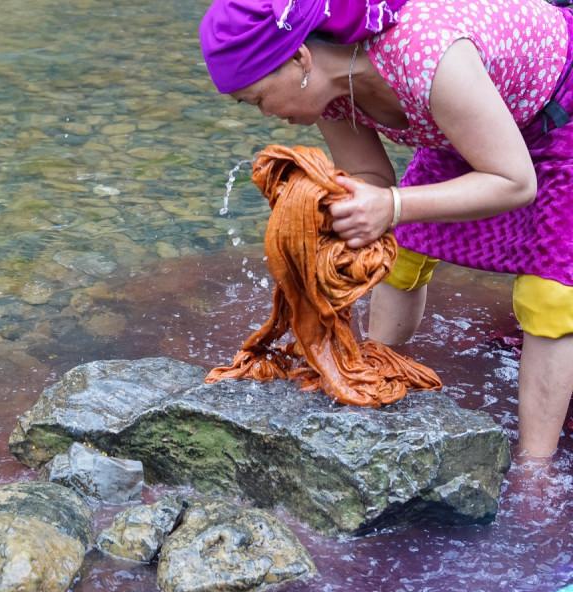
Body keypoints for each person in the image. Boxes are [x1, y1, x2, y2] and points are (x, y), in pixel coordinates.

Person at [199, 0, 573, 458]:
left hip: (558, 109)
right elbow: (371, 178)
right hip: (464, 114)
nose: (264, 113)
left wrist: (391, 205)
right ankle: (374, 369)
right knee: (400, 251)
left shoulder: (429, 58)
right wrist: (338, 205)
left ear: (300, 59)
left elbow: (515, 182)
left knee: (550, 294)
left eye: (258, 99)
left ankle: (536, 472)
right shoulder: (331, 94)